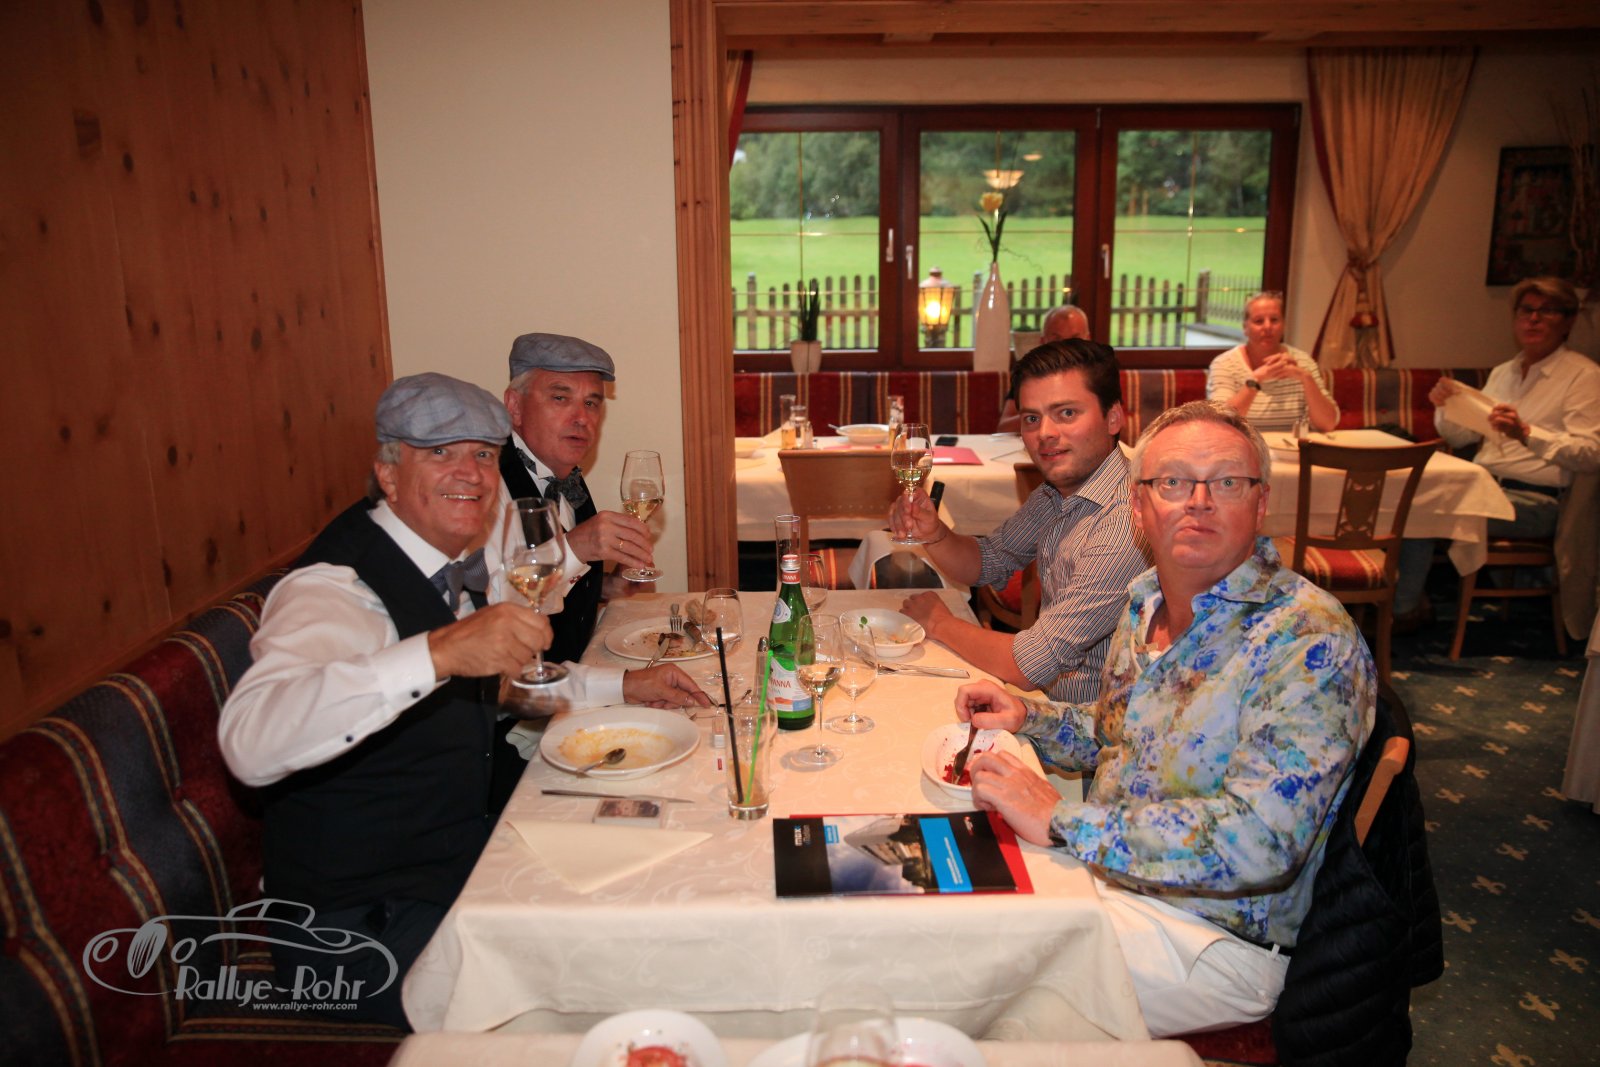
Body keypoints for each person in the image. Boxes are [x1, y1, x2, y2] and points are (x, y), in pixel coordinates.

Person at [217, 373, 705, 1028]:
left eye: (481, 452)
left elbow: (498, 684)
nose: (469, 472)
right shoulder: (334, 588)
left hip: (454, 866)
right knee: (598, 991)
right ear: (388, 473)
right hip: (354, 931)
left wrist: (623, 686)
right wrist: (439, 650)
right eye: (438, 451)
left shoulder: (452, 562)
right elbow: (249, 744)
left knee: (649, 884)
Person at [956, 400, 1374, 1037]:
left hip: (1214, 940)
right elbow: (1117, 739)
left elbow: (1259, 841)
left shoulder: (1307, 638)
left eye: (1226, 482)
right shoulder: (1147, 602)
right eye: (1173, 482)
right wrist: (1029, 718)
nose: (1198, 502)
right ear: (1138, 506)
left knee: (970, 980)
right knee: (943, 901)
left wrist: (1062, 820)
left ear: (1261, 503)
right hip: (1115, 880)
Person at [891, 340, 1148, 703]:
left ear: (1113, 418)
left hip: (1090, 726)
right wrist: (934, 534)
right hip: (1050, 707)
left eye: (1066, 413)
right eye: (1031, 418)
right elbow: (987, 561)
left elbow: (1031, 665)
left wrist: (939, 622)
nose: (1044, 433)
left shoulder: (1126, 521)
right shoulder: (1055, 493)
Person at [1392, 277, 1600, 627]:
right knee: (1400, 499)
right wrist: (1445, 406)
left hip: (1539, 501)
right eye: (1526, 310)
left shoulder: (1584, 376)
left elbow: (1592, 453)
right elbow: (1460, 437)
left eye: (1547, 311)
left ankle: (1402, 611)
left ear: (1568, 321)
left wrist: (1527, 433)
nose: (1534, 319)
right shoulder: (1504, 372)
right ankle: (1400, 602)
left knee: (1421, 508)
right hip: (1486, 486)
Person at [499, 332, 658, 664]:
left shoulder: (566, 475)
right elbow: (493, 608)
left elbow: (563, 594)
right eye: (560, 398)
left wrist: (609, 587)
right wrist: (574, 547)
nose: (581, 419)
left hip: (578, 675)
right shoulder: (485, 485)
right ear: (514, 406)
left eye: (591, 403)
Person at [1207, 291, 1339, 433]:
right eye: (1259, 321)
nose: (1268, 327)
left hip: (1291, 445)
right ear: (1245, 327)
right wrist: (1256, 380)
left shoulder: (1303, 362)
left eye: (1274, 320)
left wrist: (1306, 379)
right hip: (1245, 445)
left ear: (1284, 326)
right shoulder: (1224, 364)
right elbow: (1222, 421)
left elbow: (1328, 424)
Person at [995, 304, 1091, 434]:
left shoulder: (1100, 375)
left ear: (1088, 339)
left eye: (1074, 339)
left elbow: (1115, 426)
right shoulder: (1029, 375)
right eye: (1057, 339)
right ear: (1043, 341)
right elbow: (1004, 428)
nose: (1066, 347)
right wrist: (1042, 413)